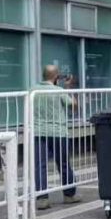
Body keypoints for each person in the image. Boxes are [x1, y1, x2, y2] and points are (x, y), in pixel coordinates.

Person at [33, 65, 79, 210]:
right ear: (56, 77)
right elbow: (74, 106)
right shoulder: (59, 91)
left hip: (38, 131)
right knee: (63, 163)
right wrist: (68, 88)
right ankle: (69, 195)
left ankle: (42, 199)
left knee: (40, 165)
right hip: (58, 132)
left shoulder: (32, 90)